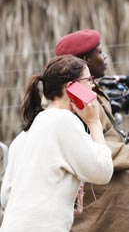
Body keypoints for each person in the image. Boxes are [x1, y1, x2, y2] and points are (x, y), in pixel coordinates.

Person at [0, 55, 113, 232]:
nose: (92, 85)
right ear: (71, 87)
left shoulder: (24, 134)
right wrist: (94, 123)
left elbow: (6, 196)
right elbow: (103, 171)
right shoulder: (65, 121)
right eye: (88, 79)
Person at [55, 29, 129, 232]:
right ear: (85, 61)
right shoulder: (75, 99)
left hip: (107, 202)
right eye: (99, 53)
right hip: (98, 207)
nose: (104, 58)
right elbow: (84, 149)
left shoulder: (89, 91)